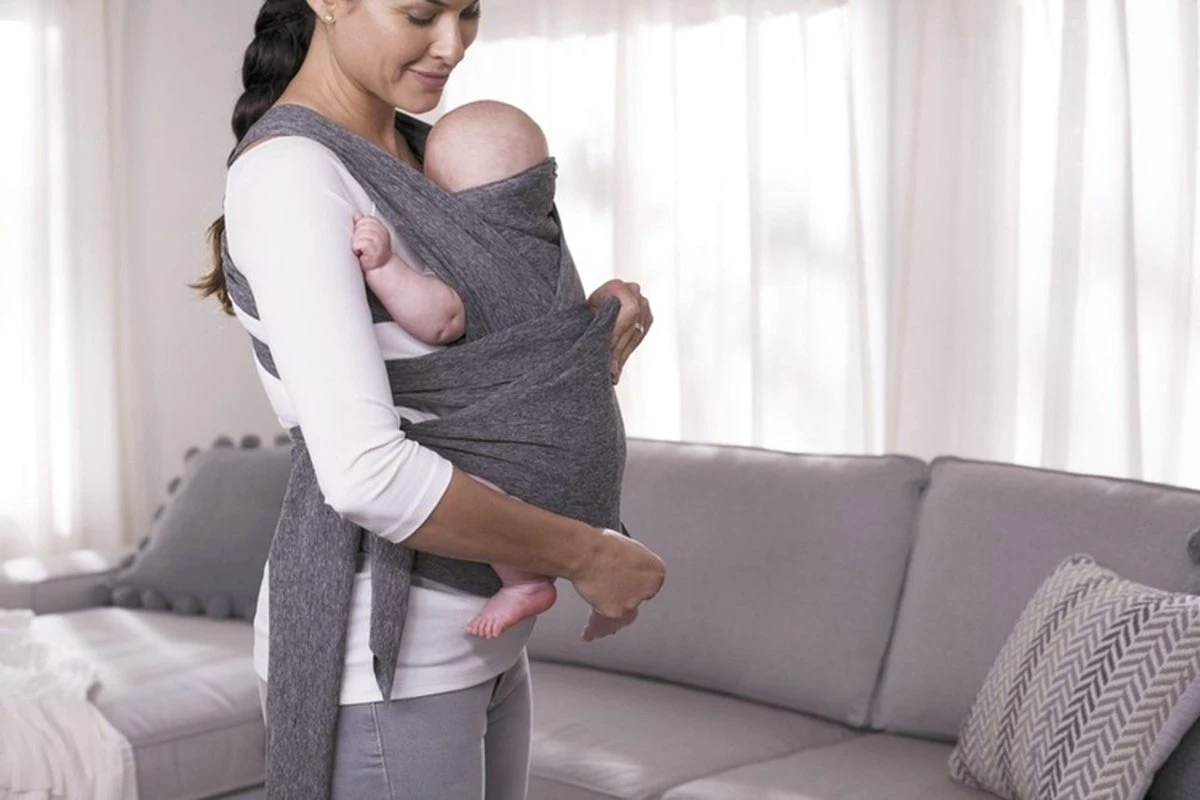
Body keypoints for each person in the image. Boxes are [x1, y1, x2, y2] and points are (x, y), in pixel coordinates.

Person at [189, 1, 665, 798]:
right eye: (420, 12)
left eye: (469, 11)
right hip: (385, 661)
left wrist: (596, 323)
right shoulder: (289, 174)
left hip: (488, 645)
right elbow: (365, 473)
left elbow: (499, 364)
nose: (452, 45)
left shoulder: (433, 150)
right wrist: (589, 554)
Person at [353, 98, 636, 643]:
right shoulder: (547, 244)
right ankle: (612, 585)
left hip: (532, 456)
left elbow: (443, 319)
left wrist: (386, 268)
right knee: (580, 499)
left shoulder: (481, 254)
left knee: (454, 477)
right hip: (594, 444)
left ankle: (523, 579)